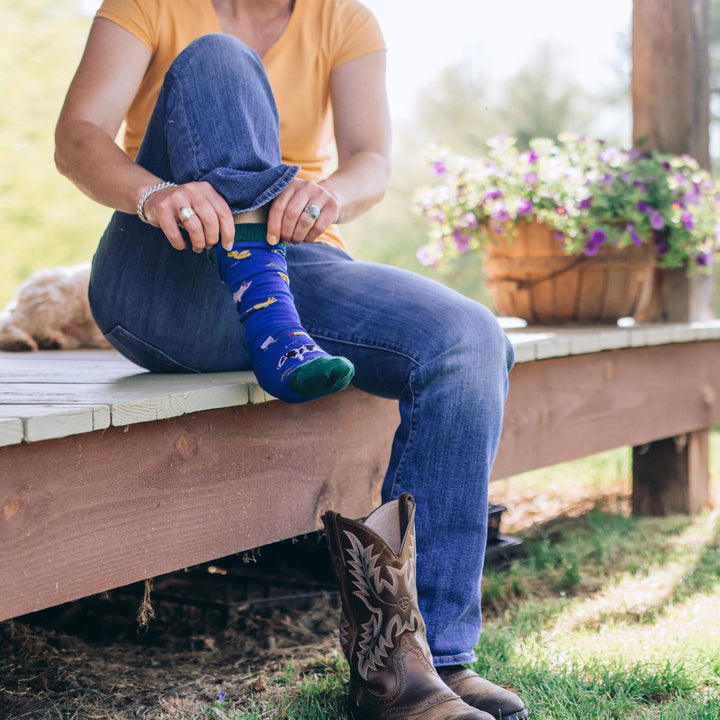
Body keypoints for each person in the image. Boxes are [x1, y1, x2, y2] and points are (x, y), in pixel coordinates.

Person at [55, 1, 525, 719]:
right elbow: (77, 138)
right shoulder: (147, 4)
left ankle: (416, 663)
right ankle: (261, 295)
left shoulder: (345, 20)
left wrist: (328, 194)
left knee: (471, 338)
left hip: (294, 267)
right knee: (219, 59)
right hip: (164, 274)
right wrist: (155, 195)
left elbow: (371, 160)